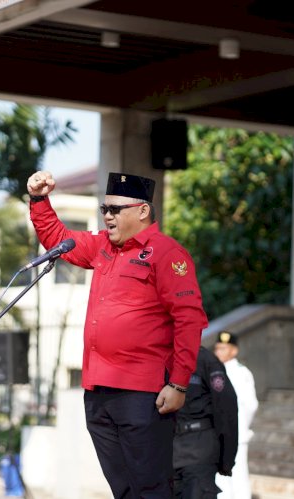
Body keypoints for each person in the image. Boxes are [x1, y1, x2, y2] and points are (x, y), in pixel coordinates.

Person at [26, 170, 208, 498]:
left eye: (115, 209)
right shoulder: (102, 247)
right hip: (98, 391)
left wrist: (179, 383)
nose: (107, 216)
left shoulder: (167, 253)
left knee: (151, 489)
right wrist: (39, 200)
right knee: (122, 490)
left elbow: (189, 320)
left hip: (142, 393)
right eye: (104, 209)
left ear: (142, 211)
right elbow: (57, 238)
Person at [173, 345, 239, 498]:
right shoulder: (159, 357)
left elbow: (226, 409)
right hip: (168, 454)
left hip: (198, 451)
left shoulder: (206, 360)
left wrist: (226, 458)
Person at [213, 330, 259, 499]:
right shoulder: (214, 371)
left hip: (236, 433)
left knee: (238, 477)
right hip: (218, 433)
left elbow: (250, 405)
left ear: (234, 350)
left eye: (224, 348)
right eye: (217, 348)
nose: (219, 352)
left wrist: (239, 427)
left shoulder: (241, 373)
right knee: (221, 480)